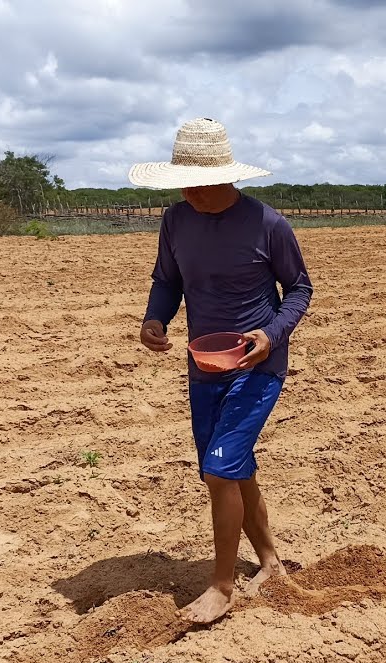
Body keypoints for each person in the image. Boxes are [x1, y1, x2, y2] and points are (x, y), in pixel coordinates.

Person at [130, 118, 314, 623]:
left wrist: (270, 335)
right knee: (231, 466)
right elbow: (168, 280)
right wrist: (154, 318)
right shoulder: (176, 221)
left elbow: (299, 290)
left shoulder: (267, 224)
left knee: (217, 467)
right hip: (203, 363)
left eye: (199, 183)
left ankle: (222, 586)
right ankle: (271, 562)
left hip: (258, 363)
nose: (190, 192)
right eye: (182, 182)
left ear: (228, 178)